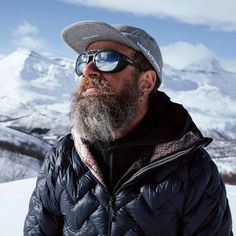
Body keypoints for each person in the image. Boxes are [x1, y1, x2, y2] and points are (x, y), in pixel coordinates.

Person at [24, 21, 233, 236]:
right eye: (85, 60)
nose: (88, 70)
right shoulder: (64, 156)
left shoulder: (193, 170)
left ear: (146, 82)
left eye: (107, 59)